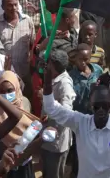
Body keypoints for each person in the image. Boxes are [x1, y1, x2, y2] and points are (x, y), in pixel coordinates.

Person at [42, 60, 110, 178]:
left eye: (104, 105)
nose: (100, 110)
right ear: (91, 105)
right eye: (96, 106)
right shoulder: (81, 122)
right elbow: (51, 107)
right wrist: (48, 82)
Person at [41, 50, 76, 178]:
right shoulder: (53, 77)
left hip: (57, 138)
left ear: (54, 65)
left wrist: (51, 118)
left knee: (54, 173)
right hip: (47, 135)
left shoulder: (65, 83)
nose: (46, 65)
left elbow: (67, 111)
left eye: (48, 63)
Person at [70, 43, 104, 114]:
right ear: (76, 58)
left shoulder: (98, 70)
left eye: (85, 59)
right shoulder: (70, 76)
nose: (83, 62)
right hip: (78, 114)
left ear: (90, 57)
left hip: (95, 113)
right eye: (80, 59)